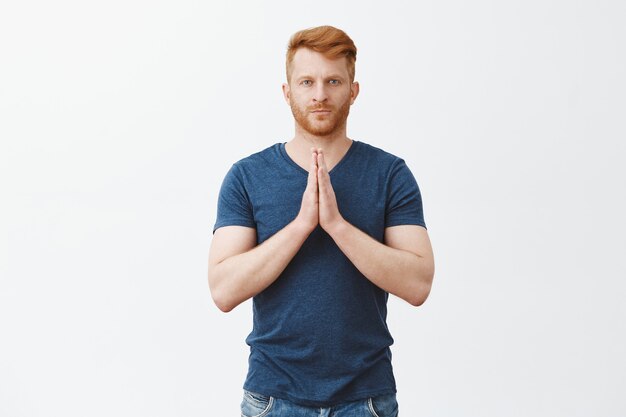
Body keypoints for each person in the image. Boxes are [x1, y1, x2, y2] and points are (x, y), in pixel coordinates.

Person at [208, 25, 434, 417]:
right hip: (273, 400)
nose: (319, 95)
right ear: (287, 92)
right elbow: (223, 291)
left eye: (333, 81)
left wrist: (337, 226)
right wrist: (300, 227)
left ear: (353, 90)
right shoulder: (247, 176)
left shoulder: (389, 173)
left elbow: (418, 284)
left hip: (366, 401)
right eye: (307, 82)